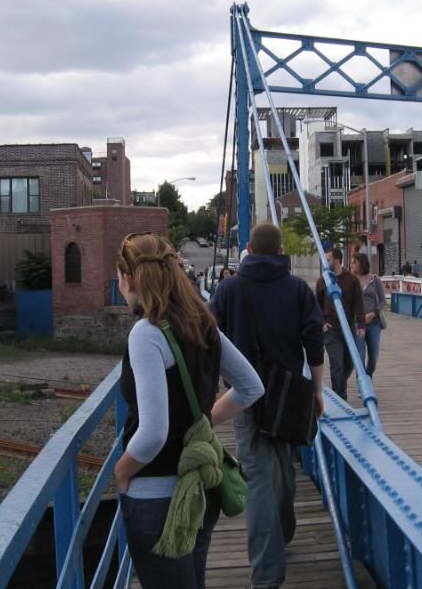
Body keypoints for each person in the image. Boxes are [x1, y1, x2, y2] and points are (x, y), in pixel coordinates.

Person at [113, 233, 264, 589]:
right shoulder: (203, 323)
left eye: (118, 276)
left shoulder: (146, 334)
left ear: (129, 278)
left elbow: (153, 434)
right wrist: (200, 421)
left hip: (159, 498)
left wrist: (121, 470)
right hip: (202, 490)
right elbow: (251, 387)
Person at [209, 222, 325, 589]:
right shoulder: (297, 289)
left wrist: (211, 390)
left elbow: (208, 341)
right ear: (280, 252)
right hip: (289, 397)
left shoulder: (228, 289)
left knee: (258, 478)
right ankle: (283, 531)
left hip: (245, 398)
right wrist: (317, 391)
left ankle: (267, 575)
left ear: (248, 248)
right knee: (284, 467)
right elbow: (314, 342)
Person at [315, 247, 365, 401]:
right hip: (330, 329)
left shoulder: (352, 280)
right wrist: (322, 323)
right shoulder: (322, 281)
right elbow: (316, 305)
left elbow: (358, 303)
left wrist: (361, 324)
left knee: (349, 363)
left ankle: (339, 386)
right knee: (337, 364)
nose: (325, 262)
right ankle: (341, 397)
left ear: (337, 260)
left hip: (348, 328)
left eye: (328, 259)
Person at [350, 252, 385, 378]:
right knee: (360, 355)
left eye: (354, 263)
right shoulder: (351, 280)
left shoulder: (375, 280)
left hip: (373, 323)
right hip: (357, 323)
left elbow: (382, 301)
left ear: (362, 264)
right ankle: (362, 383)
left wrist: (373, 314)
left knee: (373, 356)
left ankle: (368, 377)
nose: (351, 265)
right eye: (351, 263)